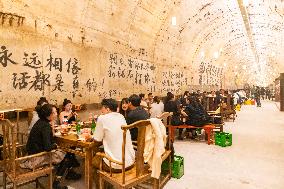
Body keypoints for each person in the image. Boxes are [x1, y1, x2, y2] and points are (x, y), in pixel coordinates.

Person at [25, 104, 81, 189]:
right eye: (54, 112)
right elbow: (48, 147)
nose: (56, 114)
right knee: (66, 156)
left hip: (31, 154)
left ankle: (69, 173)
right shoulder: (45, 126)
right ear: (49, 115)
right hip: (36, 158)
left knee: (66, 151)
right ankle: (56, 184)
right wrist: (56, 146)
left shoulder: (41, 122)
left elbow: (48, 140)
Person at [91, 99, 135, 188]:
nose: (101, 111)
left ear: (107, 109)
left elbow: (97, 140)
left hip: (117, 165)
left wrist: (90, 137)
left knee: (92, 161)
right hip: (131, 160)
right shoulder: (121, 116)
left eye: (102, 108)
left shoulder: (102, 118)